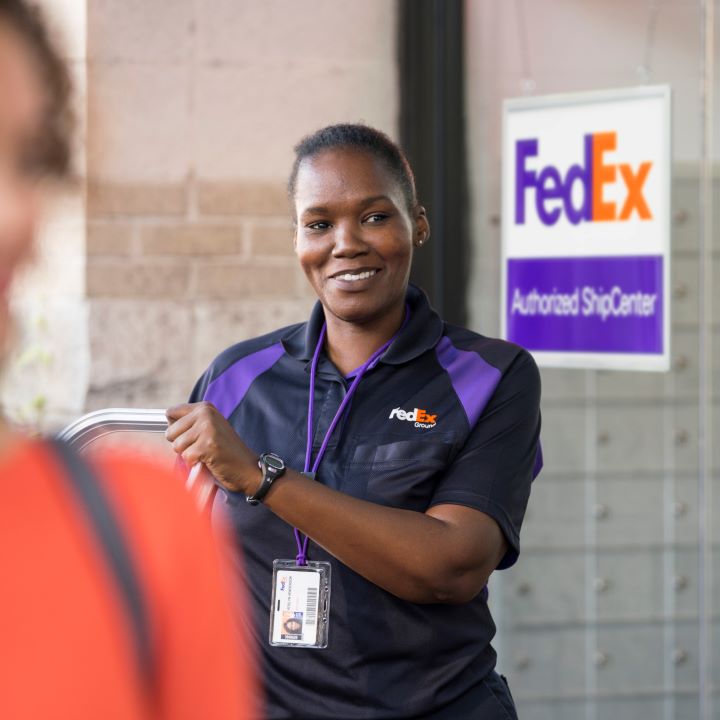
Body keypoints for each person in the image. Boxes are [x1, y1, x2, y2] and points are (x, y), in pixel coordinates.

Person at [166, 123, 542, 720]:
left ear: (417, 223)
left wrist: (264, 479)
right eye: (319, 224)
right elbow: (179, 561)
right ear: (296, 239)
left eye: (374, 217)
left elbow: (453, 567)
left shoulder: (491, 375)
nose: (346, 244)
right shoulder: (237, 376)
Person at [0, 2, 258, 718]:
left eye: (30, 158)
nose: (16, 212)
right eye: (317, 223)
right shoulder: (248, 370)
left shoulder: (142, 529)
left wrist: (262, 477)